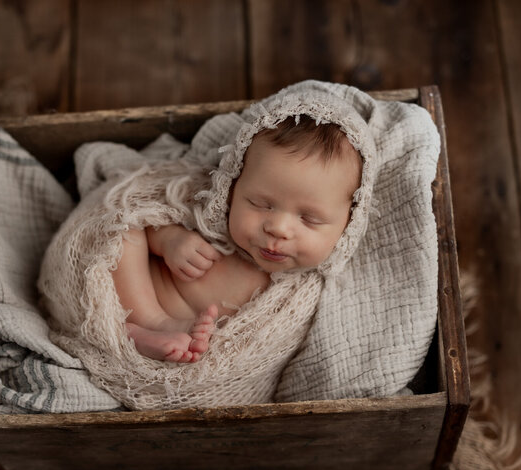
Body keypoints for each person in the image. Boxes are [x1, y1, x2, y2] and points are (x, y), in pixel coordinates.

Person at [111, 115, 362, 364]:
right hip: (132, 295)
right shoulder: (208, 215)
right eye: (260, 204)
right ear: (232, 187)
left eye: (309, 219)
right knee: (122, 227)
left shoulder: (305, 297)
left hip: (188, 348)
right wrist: (169, 240)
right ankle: (148, 323)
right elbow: (146, 211)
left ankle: (139, 340)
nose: (278, 228)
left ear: (349, 223)